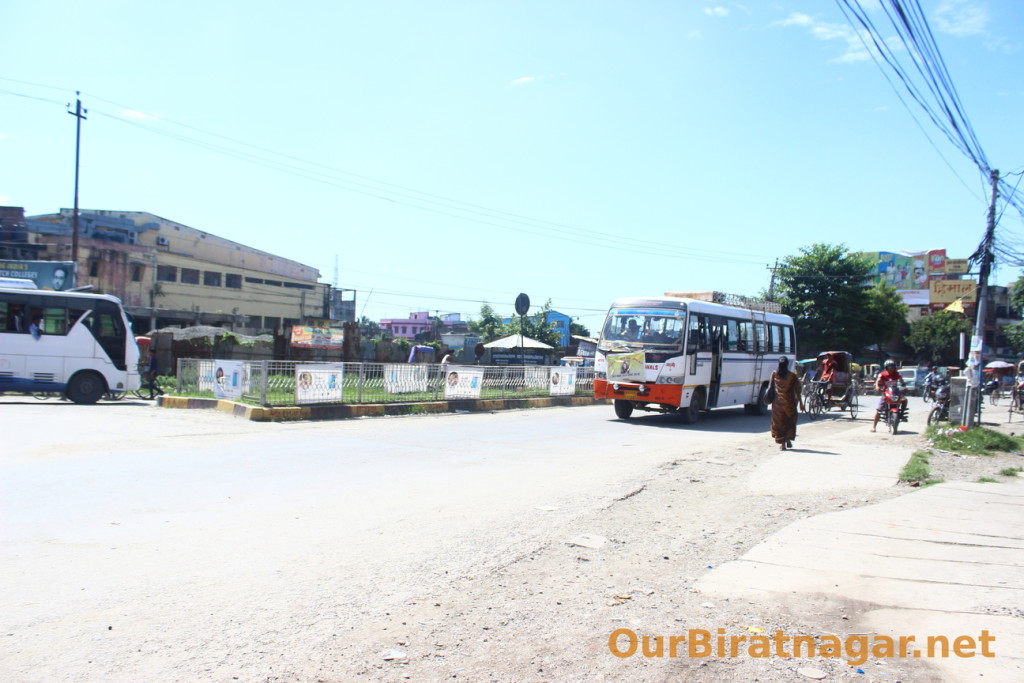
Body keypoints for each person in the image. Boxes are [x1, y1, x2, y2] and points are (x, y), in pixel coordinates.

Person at [769, 356, 803, 451]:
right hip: (790, 403)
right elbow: (798, 390)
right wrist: (801, 402)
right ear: (787, 364)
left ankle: (782, 443)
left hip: (777, 405)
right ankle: (787, 438)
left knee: (779, 424)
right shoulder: (792, 376)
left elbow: (770, 388)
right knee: (789, 422)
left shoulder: (774, 374)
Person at [872, 360, 907, 432]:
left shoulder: (897, 374)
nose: (891, 369)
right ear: (886, 367)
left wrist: (904, 386)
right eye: (890, 367)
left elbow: (901, 381)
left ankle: (902, 414)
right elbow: (877, 381)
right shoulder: (882, 374)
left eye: (893, 367)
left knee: (905, 400)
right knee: (879, 409)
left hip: (895, 392)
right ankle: (874, 427)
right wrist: (877, 387)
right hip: (886, 392)